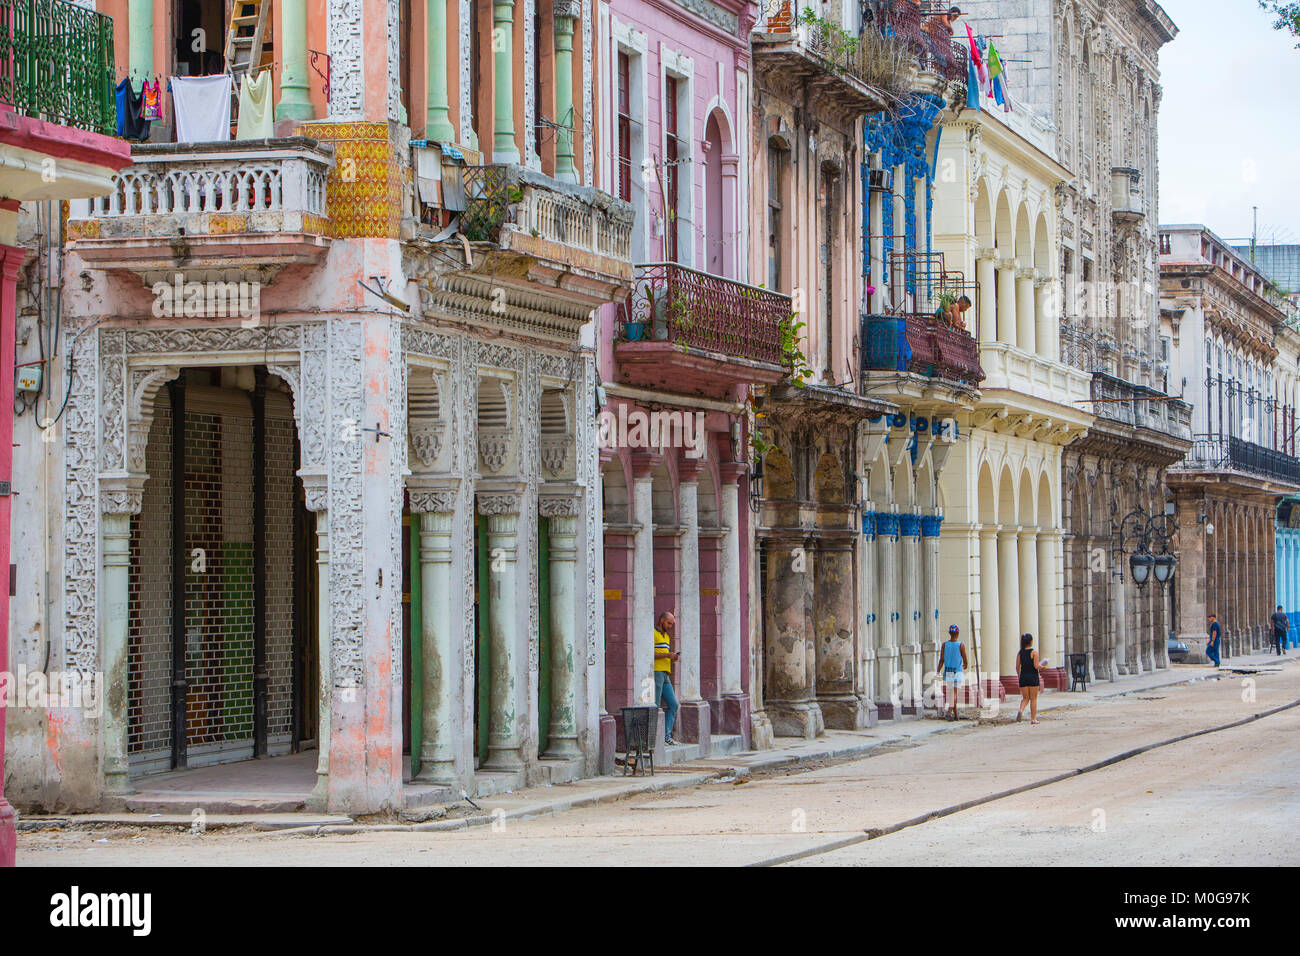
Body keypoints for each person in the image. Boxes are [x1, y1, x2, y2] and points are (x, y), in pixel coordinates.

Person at [654, 611, 681, 745]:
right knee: (656, 705)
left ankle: (666, 736)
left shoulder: (666, 637)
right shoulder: (653, 633)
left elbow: (664, 654)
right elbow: (649, 653)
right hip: (656, 672)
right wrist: (666, 655)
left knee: (673, 704)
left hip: (666, 673)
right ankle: (655, 738)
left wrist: (673, 657)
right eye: (669, 623)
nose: (670, 626)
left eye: (672, 624)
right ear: (661, 620)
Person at [940, 624, 968, 721]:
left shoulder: (944, 645)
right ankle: (949, 712)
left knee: (951, 692)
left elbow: (941, 660)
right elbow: (965, 658)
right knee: (954, 693)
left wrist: (937, 671)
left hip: (948, 671)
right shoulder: (961, 645)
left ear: (949, 633)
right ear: (958, 633)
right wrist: (966, 664)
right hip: (957, 672)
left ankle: (956, 715)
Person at [1016, 633, 1042, 724]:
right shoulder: (1034, 652)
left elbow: (1017, 667)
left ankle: (1020, 710)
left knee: (1025, 698)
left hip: (1023, 677)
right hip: (1033, 677)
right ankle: (1033, 719)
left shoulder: (1020, 653)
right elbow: (1036, 666)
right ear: (1031, 642)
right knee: (1033, 698)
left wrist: (1019, 677)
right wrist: (1043, 666)